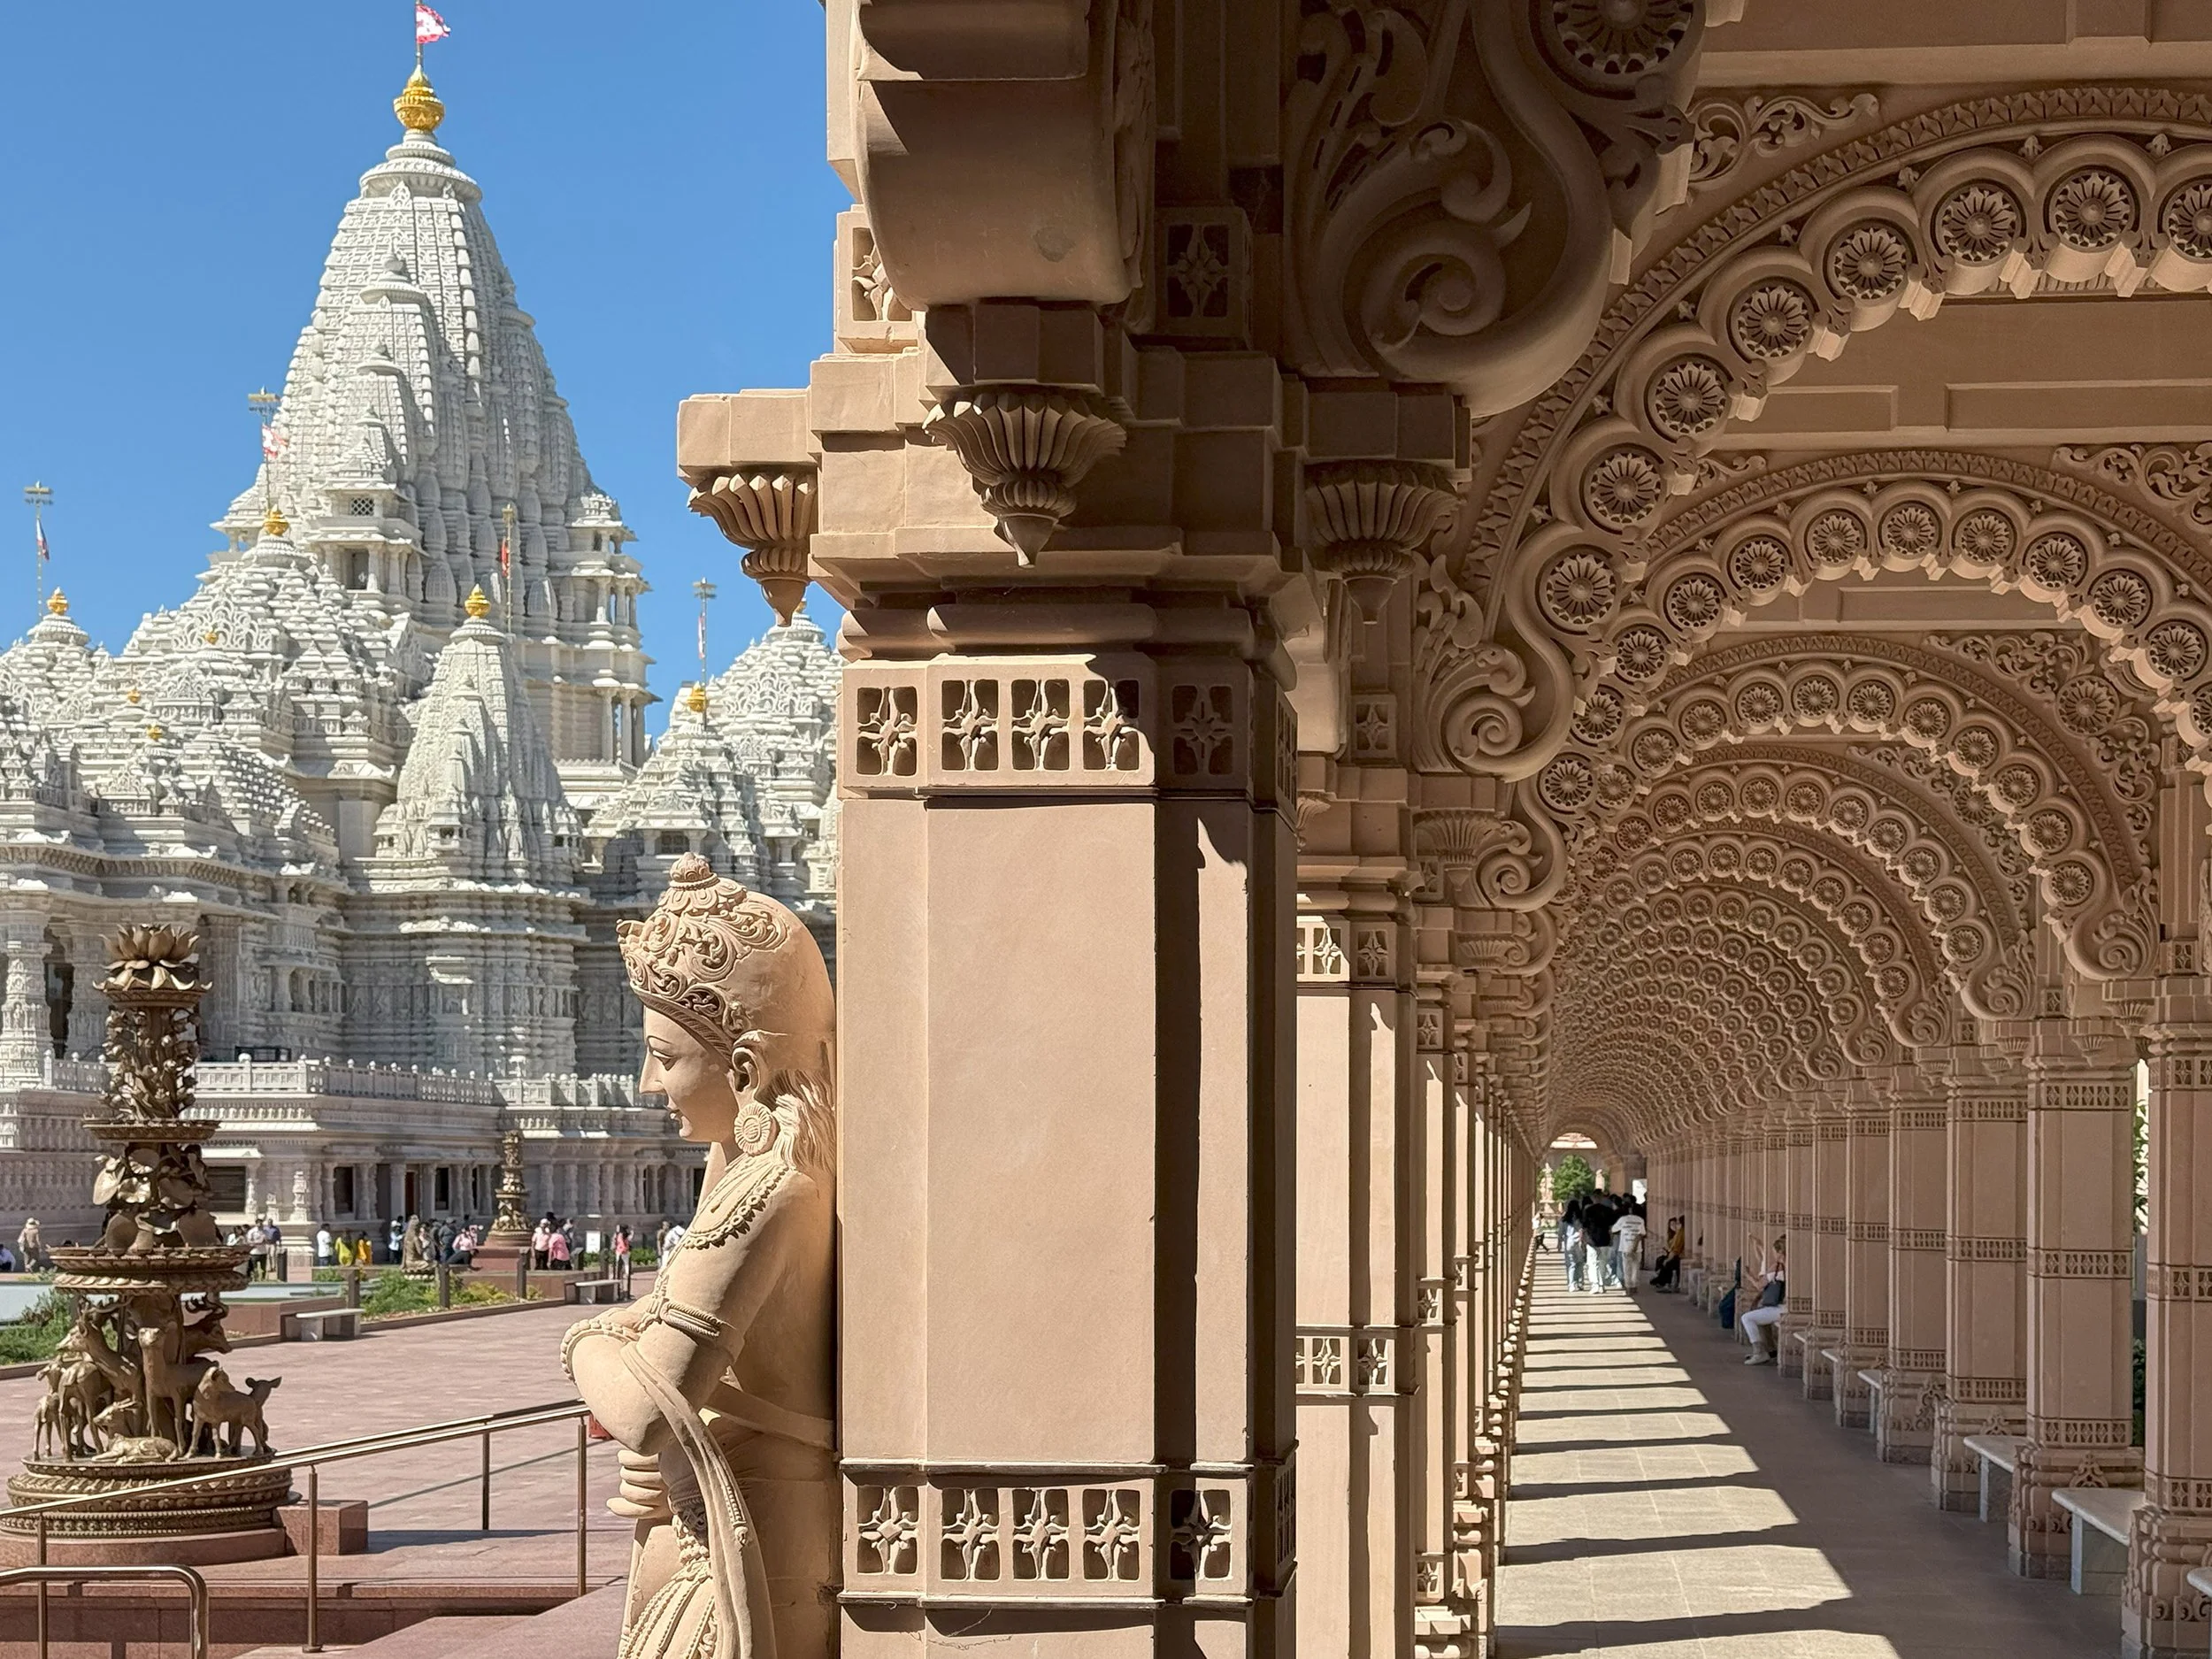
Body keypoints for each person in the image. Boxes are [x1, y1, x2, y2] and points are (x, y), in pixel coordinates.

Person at [1740, 1235, 1788, 1364]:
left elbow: (1760, 1285)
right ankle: (1770, 1349)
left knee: (1747, 1318)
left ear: (1779, 1253)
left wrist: (1748, 1275)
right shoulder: (1794, 1267)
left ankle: (1759, 1352)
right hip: (1785, 1306)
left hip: (1780, 1309)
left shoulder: (1777, 1268)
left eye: (1774, 1251)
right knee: (1761, 1319)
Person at [1613, 1205, 1648, 1291]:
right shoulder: (1640, 1220)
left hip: (1625, 1246)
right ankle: (1634, 1286)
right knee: (1635, 1267)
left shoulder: (1623, 1219)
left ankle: (1628, 1286)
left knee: (1627, 1268)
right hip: (1637, 1248)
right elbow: (1642, 1233)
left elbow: (1614, 1229)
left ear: (1630, 1210)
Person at [1559, 1197, 1586, 1292]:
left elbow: (1561, 1232)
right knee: (1580, 1263)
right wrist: (1582, 1242)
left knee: (1570, 1264)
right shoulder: (1580, 1218)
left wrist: (1559, 1244)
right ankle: (1580, 1283)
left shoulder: (1564, 1219)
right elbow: (1582, 1230)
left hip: (1568, 1243)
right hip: (1578, 1241)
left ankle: (1571, 1284)